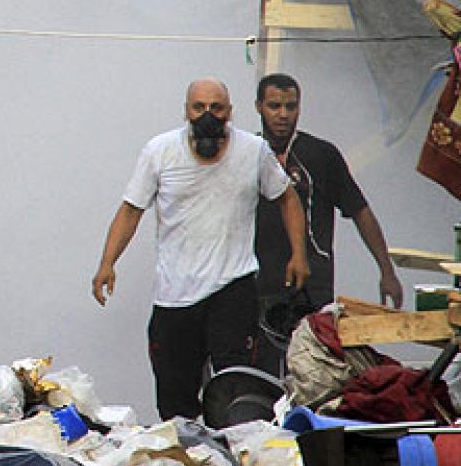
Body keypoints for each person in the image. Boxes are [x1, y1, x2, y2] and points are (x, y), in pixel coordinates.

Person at [91, 78, 310, 421]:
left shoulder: (253, 150)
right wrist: (108, 263)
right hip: (175, 293)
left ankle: (236, 447)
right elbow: (131, 209)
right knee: (174, 397)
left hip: (232, 285)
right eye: (199, 108)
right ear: (186, 111)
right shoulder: (160, 151)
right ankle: (186, 450)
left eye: (216, 108)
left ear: (230, 112)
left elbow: (287, 198)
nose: (208, 116)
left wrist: (299, 254)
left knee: (235, 389)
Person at [253, 73, 403, 325]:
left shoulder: (321, 155)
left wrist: (386, 270)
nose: (283, 115)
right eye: (274, 106)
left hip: (313, 284)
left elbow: (360, 211)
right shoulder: (247, 154)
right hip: (258, 283)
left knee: (312, 348)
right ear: (259, 107)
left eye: (291, 106)